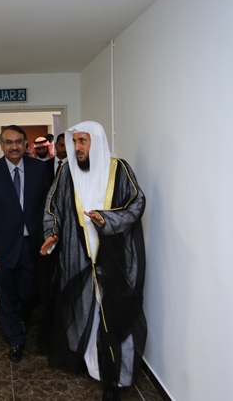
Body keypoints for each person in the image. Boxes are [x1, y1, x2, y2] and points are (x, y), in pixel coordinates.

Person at [39, 121, 147, 401]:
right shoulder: (67, 172)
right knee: (85, 311)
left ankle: (115, 376)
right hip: (78, 256)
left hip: (114, 257)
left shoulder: (118, 169)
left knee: (113, 314)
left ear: (96, 142)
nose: (77, 147)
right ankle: (90, 364)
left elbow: (136, 203)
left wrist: (106, 219)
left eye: (82, 141)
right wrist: (52, 233)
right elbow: (53, 206)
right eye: (75, 142)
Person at [0, 125, 52, 362]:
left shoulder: (39, 169)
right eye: (9, 142)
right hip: (2, 247)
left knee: (31, 292)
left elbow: (48, 206)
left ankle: (17, 319)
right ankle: (16, 339)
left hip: (34, 244)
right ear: (1, 145)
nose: (14, 146)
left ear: (25, 144)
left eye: (18, 141)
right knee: (6, 294)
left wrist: (50, 235)